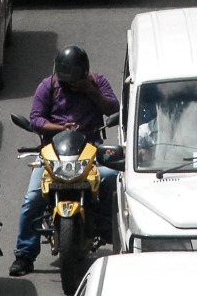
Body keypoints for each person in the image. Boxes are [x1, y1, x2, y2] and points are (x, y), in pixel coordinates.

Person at [10, 45, 120, 277]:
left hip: (90, 148)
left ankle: (114, 235)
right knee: (32, 198)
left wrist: (90, 90)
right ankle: (24, 254)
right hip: (53, 151)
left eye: (74, 81)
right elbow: (36, 119)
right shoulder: (47, 86)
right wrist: (61, 128)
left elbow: (113, 107)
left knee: (112, 179)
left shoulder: (97, 82)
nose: (68, 85)